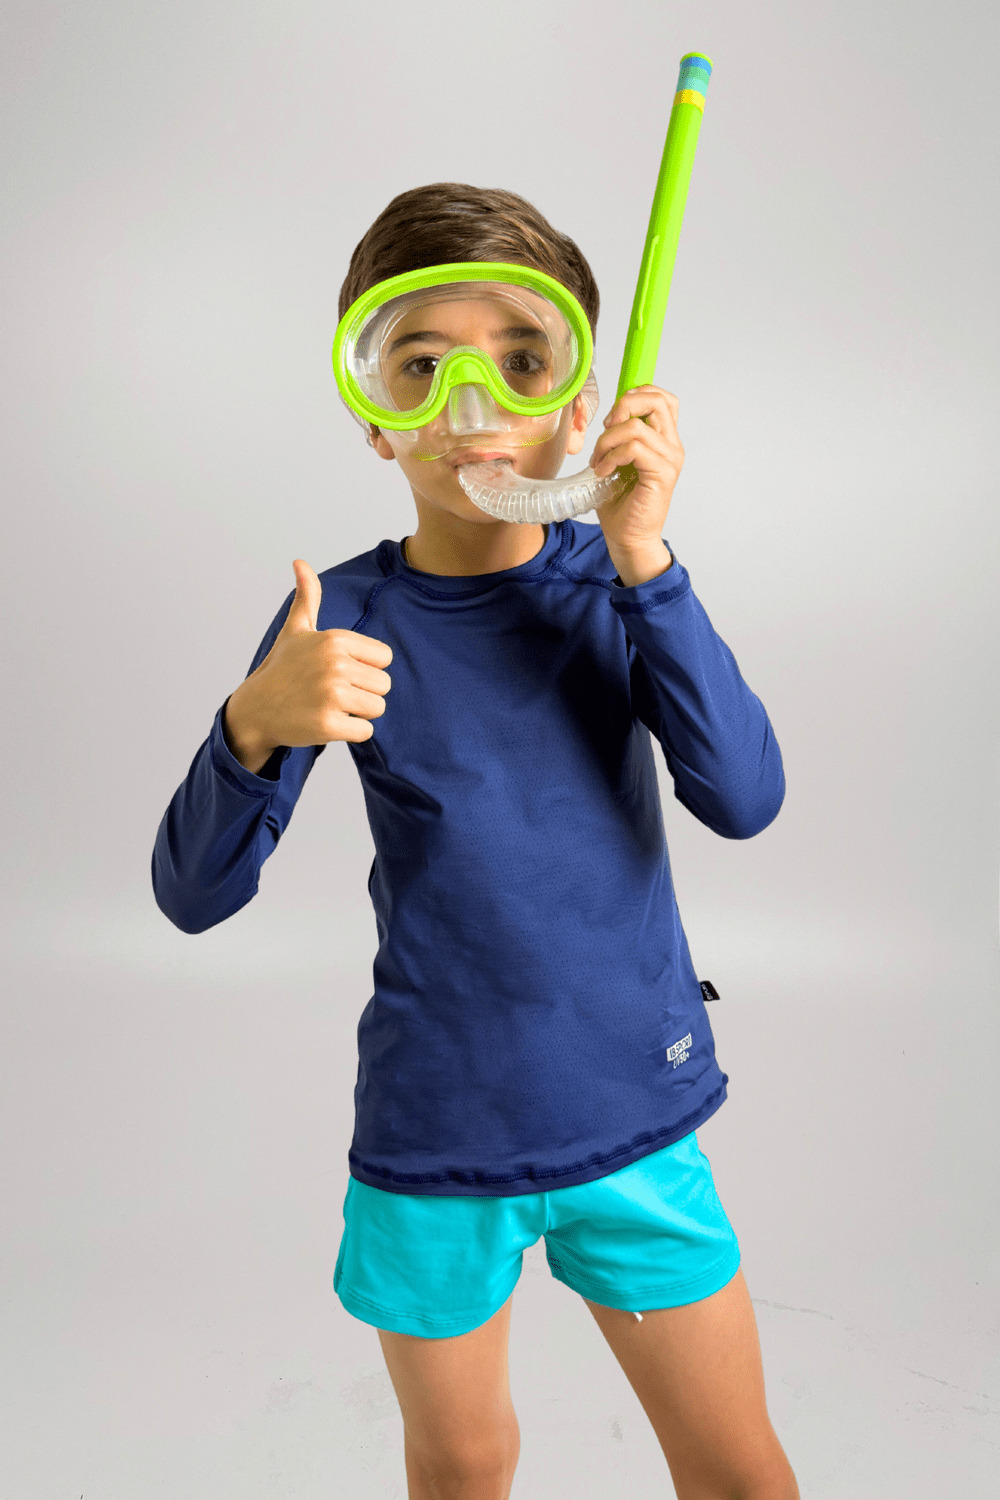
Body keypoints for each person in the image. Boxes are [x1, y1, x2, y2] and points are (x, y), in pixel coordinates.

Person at [153, 182, 799, 1500]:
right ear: (370, 412)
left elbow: (743, 796)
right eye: (420, 366)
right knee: (463, 1463)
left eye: (518, 360)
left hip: (635, 1115)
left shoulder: (618, 587)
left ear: (580, 399)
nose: (470, 404)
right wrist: (253, 724)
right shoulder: (339, 614)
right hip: (436, 1133)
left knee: (737, 1471)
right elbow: (193, 895)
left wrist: (646, 560)